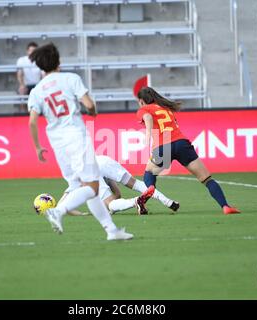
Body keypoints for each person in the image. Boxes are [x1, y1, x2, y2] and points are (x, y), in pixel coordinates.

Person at [28, 42, 133, 240]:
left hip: (58, 144)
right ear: (58, 61)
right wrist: (92, 111)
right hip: (76, 136)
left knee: (83, 187)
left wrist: (37, 147)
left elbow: (32, 122)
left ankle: (112, 231)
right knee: (92, 187)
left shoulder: (36, 91)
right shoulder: (70, 78)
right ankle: (58, 211)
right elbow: (89, 103)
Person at [136, 87, 241, 215]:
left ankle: (149, 191)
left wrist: (148, 133)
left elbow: (147, 117)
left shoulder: (144, 109)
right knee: (207, 179)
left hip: (164, 146)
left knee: (149, 173)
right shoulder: (166, 108)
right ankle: (225, 206)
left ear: (141, 101)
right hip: (182, 144)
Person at [62, 154, 179, 216]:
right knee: (135, 183)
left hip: (92, 171)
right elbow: (118, 194)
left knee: (111, 204)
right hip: (104, 160)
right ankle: (168, 201)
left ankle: (135, 201)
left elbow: (62, 205)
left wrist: (82, 214)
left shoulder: (76, 176)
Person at [17, 42, 43, 110]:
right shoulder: (21, 60)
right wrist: (22, 84)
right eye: (31, 50)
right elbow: (19, 74)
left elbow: (43, 75)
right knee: (22, 90)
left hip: (38, 85)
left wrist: (41, 85)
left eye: (35, 51)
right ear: (27, 51)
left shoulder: (41, 60)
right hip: (26, 85)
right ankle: (22, 113)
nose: (33, 52)